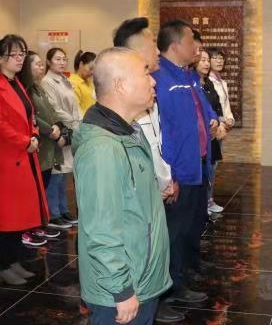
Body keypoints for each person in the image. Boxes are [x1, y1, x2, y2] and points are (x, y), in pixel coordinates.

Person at [73, 47, 171, 325]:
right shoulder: (102, 148)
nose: (153, 81)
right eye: (145, 74)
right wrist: (122, 290)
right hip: (122, 291)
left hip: (141, 277)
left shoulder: (128, 132)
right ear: (120, 85)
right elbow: (100, 230)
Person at [113, 17, 183, 323]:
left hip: (156, 190)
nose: (158, 50)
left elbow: (158, 142)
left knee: (155, 251)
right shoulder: (125, 100)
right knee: (139, 255)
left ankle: (153, 299)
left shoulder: (147, 91)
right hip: (139, 199)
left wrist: (167, 178)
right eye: (153, 43)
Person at [153, 20, 219, 305]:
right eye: (192, 41)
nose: (197, 47)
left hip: (198, 163)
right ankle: (172, 287)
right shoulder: (160, 79)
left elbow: (203, 109)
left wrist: (212, 120)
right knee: (175, 231)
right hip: (179, 170)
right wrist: (169, 175)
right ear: (176, 45)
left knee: (194, 222)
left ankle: (189, 269)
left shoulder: (188, 75)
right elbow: (161, 132)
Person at [0, 34, 50, 285]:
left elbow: (28, 115)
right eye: (14, 55)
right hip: (8, 158)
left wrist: (33, 134)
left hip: (23, 155)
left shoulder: (17, 83)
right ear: (0, 58)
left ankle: (14, 261)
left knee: (20, 214)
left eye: (22, 54)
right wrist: (24, 140)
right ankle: (4, 264)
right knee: (6, 215)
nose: (20, 59)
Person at [18, 50, 65, 241]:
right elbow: (34, 117)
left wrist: (57, 126)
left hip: (49, 142)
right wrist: (50, 130)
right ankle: (32, 225)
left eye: (40, 64)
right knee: (37, 188)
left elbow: (51, 111)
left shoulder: (38, 87)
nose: (40, 67)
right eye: (36, 64)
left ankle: (38, 224)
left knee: (43, 185)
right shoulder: (25, 89)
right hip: (40, 143)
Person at [41, 47, 80, 229]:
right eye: (57, 59)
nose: (62, 62)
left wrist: (78, 122)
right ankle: (53, 213)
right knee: (56, 173)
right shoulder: (47, 81)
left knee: (64, 174)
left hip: (71, 128)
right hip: (59, 130)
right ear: (49, 61)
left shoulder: (65, 80)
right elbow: (55, 109)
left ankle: (63, 210)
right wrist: (72, 123)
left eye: (64, 59)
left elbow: (75, 105)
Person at [195, 49, 228, 215]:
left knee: (212, 168)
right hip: (201, 135)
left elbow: (215, 107)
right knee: (203, 169)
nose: (207, 63)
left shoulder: (208, 83)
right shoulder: (193, 85)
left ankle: (209, 200)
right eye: (203, 60)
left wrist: (219, 122)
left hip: (213, 134)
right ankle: (202, 203)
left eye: (208, 60)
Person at [69, 50, 97, 115]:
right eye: (90, 68)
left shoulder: (89, 81)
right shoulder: (72, 82)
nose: (92, 72)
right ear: (81, 64)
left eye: (94, 69)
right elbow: (75, 111)